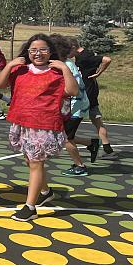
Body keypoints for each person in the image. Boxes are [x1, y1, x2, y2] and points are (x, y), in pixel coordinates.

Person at [0, 33, 78, 221]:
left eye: (42, 50)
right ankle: (46, 192)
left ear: (50, 52)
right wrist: (10, 65)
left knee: (36, 163)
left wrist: (64, 68)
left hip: (43, 124)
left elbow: (73, 91)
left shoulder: (56, 72)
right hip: (22, 122)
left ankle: (30, 207)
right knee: (30, 161)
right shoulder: (21, 70)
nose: (37, 53)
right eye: (33, 50)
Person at [67, 37, 116, 162]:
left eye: (67, 51)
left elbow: (107, 59)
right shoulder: (80, 56)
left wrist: (99, 73)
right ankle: (107, 149)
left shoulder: (85, 56)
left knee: (69, 127)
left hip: (87, 94)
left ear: (73, 47)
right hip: (88, 92)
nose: (67, 54)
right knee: (97, 121)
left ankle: (87, 143)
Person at [50, 34, 91, 176]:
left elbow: (74, 89)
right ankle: (91, 144)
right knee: (66, 136)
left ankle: (80, 165)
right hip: (72, 107)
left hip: (75, 108)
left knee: (65, 138)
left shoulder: (66, 66)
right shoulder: (63, 63)